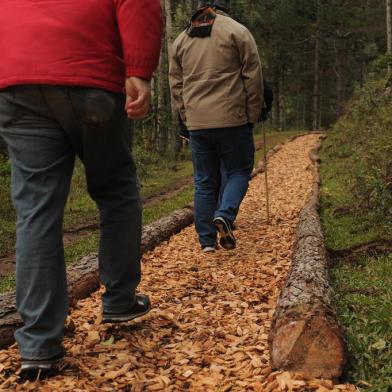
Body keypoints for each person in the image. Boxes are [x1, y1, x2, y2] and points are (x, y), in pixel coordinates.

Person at [0, 0, 163, 380]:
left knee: (35, 212)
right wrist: (140, 70)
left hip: (17, 82)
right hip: (90, 77)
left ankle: (39, 346)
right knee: (116, 189)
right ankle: (120, 300)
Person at [169, 0, 263, 252]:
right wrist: (251, 115)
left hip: (198, 123)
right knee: (239, 171)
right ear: (223, 10)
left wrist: (187, 117)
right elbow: (253, 78)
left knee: (204, 181)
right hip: (232, 119)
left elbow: (176, 85)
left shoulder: (181, 40)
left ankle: (207, 242)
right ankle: (225, 214)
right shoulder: (237, 31)